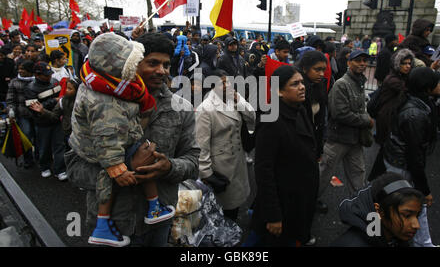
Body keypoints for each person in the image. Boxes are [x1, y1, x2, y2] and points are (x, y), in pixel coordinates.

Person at [66, 31, 200, 247]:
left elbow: (193, 161)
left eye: (166, 65)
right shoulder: (96, 102)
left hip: (157, 225)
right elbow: (73, 167)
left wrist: (168, 168)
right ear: (133, 64)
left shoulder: (181, 109)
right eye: (153, 63)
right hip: (112, 225)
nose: (161, 71)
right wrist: (121, 169)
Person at [250, 65, 319, 246]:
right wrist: (273, 215)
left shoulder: (300, 109)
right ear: (279, 91)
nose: (302, 87)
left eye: (302, 82)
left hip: (299, 198)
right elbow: (264, 171)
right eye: (294, 84)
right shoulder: (271, 120)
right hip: (283, 203)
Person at [381, 67, 440, 247]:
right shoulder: (414, 114)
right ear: (426, 87)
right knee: (413, 204)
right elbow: (414, 156)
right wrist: (425, 189)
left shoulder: (419, 104)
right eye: (437, 83)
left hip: (398, 162)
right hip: (402, 166)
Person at [196, 69, 256, 222]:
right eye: (222, 83)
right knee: (223, 208)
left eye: (228, 81)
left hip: (238, 160)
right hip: (221, 166)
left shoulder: (234, 97)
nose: (227, 85)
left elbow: (252, 117)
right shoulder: (206, 109)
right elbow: (201, 144)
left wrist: (237, 99)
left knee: (235, 204)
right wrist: (206, 173)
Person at [317, 50, 374, 210]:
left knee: (358, 173)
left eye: (365, 61)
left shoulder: (360, 82)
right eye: (358, 60)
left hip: (355, 140)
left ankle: (359, 207)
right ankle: (310, 201)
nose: (362, 64)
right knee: (324, 174)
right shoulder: (342, 84)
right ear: (349, 63)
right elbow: (340, 113)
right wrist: (366, 121)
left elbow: (360, 107)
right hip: (338, 139)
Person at [331, 172, 424, 247]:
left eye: (417, 215)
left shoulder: (394, 237)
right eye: (407, 215)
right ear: (379, 211)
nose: (416, 225)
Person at [368, 49, 415, 181]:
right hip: (387, 118)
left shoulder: (400, 77)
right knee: (387, 148)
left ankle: (376, 179)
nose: (407, 66)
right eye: (404, 63)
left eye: (409, 63)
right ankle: (378, 181)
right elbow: (410, 89)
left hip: (392, 117)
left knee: (385, 150)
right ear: (397, 64)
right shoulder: (393, 80)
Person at [24, 61, 67, 180]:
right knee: (44, 146)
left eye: (49, 74)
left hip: (57, 120)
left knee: (59, 145)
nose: (49, 77)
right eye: (46, 75)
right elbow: (34, 108)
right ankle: (44, 166)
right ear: (37, 75)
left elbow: (61, 97)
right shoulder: (30, 89)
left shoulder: (54, 82)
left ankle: (60, 169)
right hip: (42, 123)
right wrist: (53, 101)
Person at [294, 51, 328, 161]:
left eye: (323, 70)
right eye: (317, 70)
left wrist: (319, 149)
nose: (322, 74)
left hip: (313, 143)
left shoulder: (320, 84)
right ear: (304, 69)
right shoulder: (294, 89)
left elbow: (320, 120)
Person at [29, 79, 80, 151]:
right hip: (67, 133)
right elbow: (55, 115)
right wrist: (43, 111)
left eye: (70, 89)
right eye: (66, 88)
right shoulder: (63, 101)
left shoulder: (82, 103)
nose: (66, 90)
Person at [6, 60, 36, 168]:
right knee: (26, 135)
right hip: (22, 114)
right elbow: (10, 99)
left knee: (37, 137)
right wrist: (11, 111)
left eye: (23, 69)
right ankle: (28, 159)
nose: (20, 71)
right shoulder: (14, 82)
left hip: (37, 114)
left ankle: (39, 157)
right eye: (19, 69)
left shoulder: (37, 81)